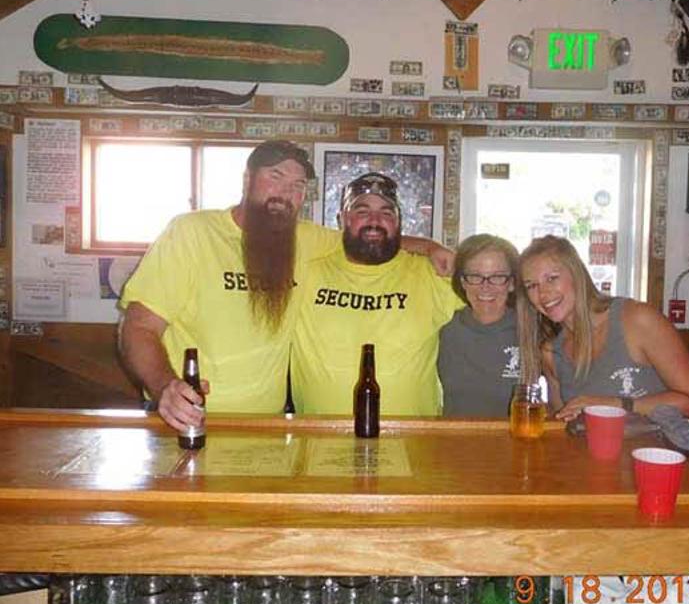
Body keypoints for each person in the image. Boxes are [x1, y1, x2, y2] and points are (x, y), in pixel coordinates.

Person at [119, 143, 452, 432]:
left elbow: (366, 236)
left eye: (297, 185)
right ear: (247, 179)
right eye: (275, 176)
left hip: (267, 428)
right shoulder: (191, 232)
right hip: (184, 417)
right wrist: (164, 387)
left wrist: (430, 247)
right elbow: (138, 327)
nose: (285, 192)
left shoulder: (306, 239)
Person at [290, 172, 464, 416]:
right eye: (362, 211)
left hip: (415, 434)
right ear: (342, 220)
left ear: (399, 223)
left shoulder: (433, 273)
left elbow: (499, 293)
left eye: (387, 213)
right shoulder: (305, 271)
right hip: (320, 432)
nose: (375, 221)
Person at [517, 235, 689, 421]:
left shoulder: (638, 320)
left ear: (577, 274)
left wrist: (614, 405)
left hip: (655, 441)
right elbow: (562, 425)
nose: (543, 293)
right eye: (532, 286)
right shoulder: (551, 353)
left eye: (552, 278)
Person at [437, 234, 520, 417]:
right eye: (475, 276)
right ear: (462, 281)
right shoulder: (445, 327)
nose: (485, 287)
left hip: (517, 436)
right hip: (454, 434)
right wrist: (429, 247)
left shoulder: (531, 330)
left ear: (512, 283)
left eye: (497, 277)